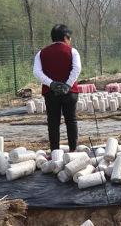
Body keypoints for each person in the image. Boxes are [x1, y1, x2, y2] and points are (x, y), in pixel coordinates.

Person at [33, 24, 82, 153]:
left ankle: (55, 152)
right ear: (66, 37)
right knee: (71, 120)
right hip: (70, 92)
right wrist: (67, 85)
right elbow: (76, 69)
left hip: (51, 92)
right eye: (69, 38)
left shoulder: (41, 53)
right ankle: (73, 150)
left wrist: (52, 83)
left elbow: (37, 72)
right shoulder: (72, 51)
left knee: (53, 123)